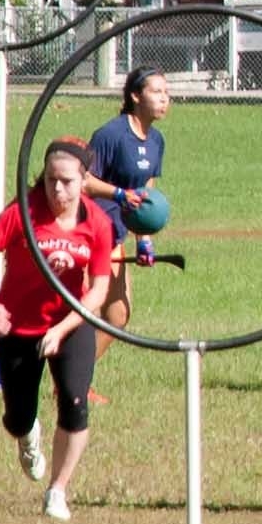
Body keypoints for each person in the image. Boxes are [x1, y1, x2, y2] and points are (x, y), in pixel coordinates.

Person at [0, 138, 120, 520]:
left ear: (84, 181)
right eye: (51, 179)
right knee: (17, 417)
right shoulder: (21, 212)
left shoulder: (97, 224)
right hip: (17, 326)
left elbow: (98, 290)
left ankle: (57, 490)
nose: (57, 189)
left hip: (71, 322)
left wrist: (62, 329)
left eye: (67, 181)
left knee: (75, 403)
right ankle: (27, 433)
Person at [82, 67, 171, 392]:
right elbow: (84, 181)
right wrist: (118, 194)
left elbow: (146, 195)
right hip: (90, 233)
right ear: (135, 96)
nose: (164, 99)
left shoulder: (156, 141)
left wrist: (144, 241)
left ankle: (75, 381)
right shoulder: (111, 135)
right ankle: (73, 384)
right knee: (88, 311)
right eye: (156, 92)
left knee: (118, 317)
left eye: (166, 93)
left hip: (117, 235)